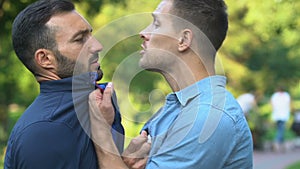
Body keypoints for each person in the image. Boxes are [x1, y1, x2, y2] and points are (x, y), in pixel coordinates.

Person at [89, 0, 253, 168]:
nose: (143, 33)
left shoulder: (207, 116)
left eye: (156, 24)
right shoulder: (180, 108)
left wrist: (100, 130)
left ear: (184, 39)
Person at [4, 0, 148, 168]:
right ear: (45, 59)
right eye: (80, 40)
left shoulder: (97, 103)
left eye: (90, 35)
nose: (97, 46)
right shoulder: (45, 131)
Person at [270, 86, 291, 152]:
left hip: (276, 114)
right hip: (284, 114)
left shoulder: (274, 96)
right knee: (281, 129)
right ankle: (277, 142)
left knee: (280, 128)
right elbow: (289, 104)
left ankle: (282, 146)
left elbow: (271, 104)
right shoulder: (286, 95)